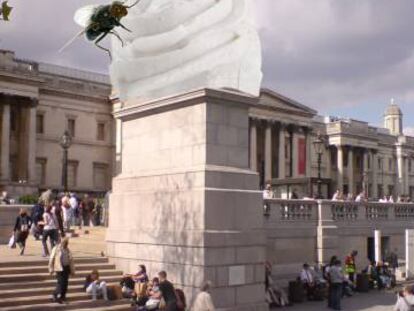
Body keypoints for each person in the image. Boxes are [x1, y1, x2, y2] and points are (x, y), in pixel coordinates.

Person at [49, 237, 75, 304]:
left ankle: (63, 297)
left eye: (67, 242)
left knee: (65, 284)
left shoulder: (68, 250)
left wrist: (72, 271)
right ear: (61, 242)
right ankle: (55, 295)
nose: (66, 244)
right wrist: (51, 269)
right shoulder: (56, 249)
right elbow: (51, 259)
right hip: (59, 268)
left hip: (66, 268)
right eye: (64, 242)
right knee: (61, 283)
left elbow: (71, 261)